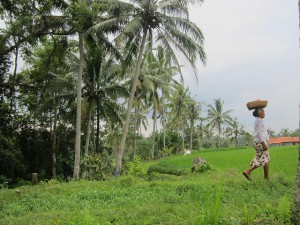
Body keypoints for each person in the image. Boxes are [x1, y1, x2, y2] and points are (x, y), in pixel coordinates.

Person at [243, 107, 270, 181]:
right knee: (264, 159)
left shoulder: (257, 121)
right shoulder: (260, 120)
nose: (264, 113)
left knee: (264, 159)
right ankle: (248, 171)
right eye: (262, 111)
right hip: (260, 142)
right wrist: (263, 143)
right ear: (259, 113)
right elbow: (259, 132)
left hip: (257, 142)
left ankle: (266, 178)